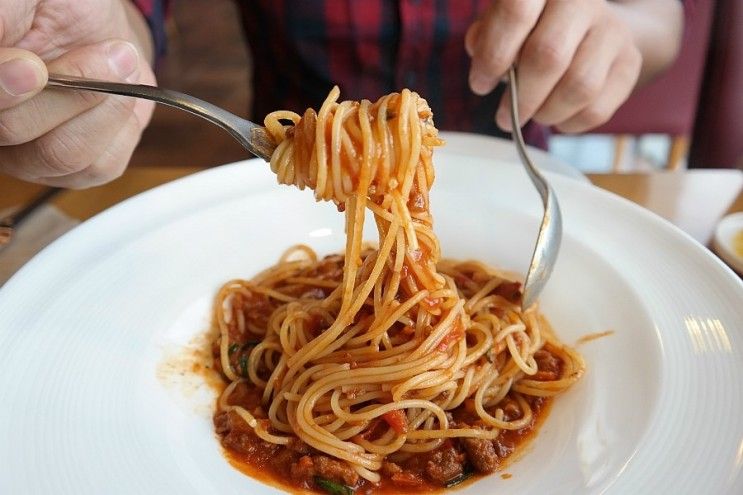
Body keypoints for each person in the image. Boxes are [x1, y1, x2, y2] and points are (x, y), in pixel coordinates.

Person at [0, 0, 682, 189]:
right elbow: (129, 16)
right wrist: (96, 49)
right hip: (279, 178)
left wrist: (622, 29)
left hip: (519, 171)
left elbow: (660, 17)